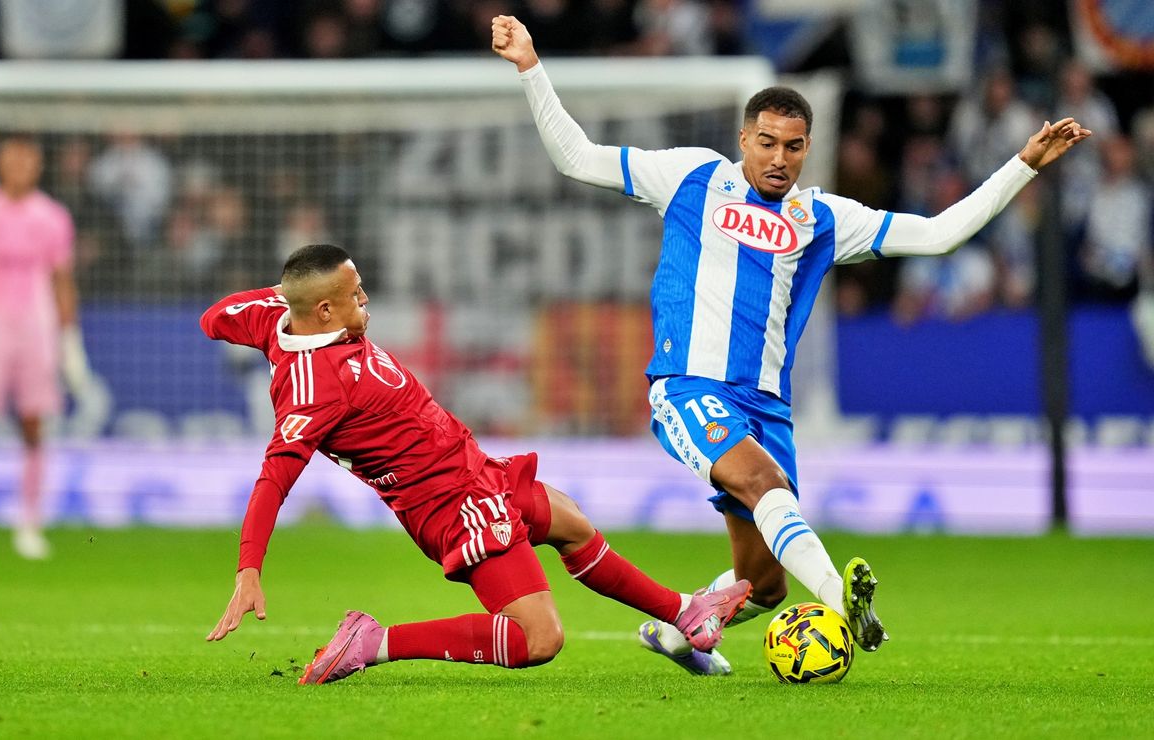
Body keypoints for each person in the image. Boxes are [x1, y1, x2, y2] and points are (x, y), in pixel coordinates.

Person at [491, 14, 1091, 674]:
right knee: (763, 482)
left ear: (808, 148)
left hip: (766, 407)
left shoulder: (825, 219)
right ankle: (843, 603)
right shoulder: (692, 177)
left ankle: (675, 635)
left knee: (764, 585)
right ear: (743, 139)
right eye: (768, 142)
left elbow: (938, 234)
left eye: (794, 146)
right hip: (688, 386)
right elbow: (578, 157)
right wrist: (530, 66)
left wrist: (1022, 166)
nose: (779, 157)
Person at [200, 243, 753, 683]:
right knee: (539, 640)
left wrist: (290, 291)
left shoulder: (276, 314)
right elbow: (274, 479)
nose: (366, 301)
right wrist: (248, 569)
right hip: (449, 503)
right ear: (324, 311)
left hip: (470, 468)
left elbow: (214, 318)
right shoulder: (312, 388)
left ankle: (683, 614)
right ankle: (374, 642)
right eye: (355, 294)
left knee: (569, 520)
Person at [0, 136, 92, 559]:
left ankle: (29, 524)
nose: (19, 168)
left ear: (37, 167)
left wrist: (70, 339)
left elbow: (61, 280)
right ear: (0, 165)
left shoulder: (52, 217)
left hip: (36, 329)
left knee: (34, 425)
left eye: (27, 161)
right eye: (12, 160)